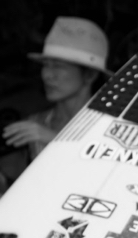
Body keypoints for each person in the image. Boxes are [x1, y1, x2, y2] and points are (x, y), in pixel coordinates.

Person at [2, 17, 112, 166]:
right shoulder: (36, 123)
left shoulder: (109, 126)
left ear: (90, 75)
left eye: (58, 66)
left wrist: (55, 140)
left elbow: (109, 169)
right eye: (46, 65)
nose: (47, 75)